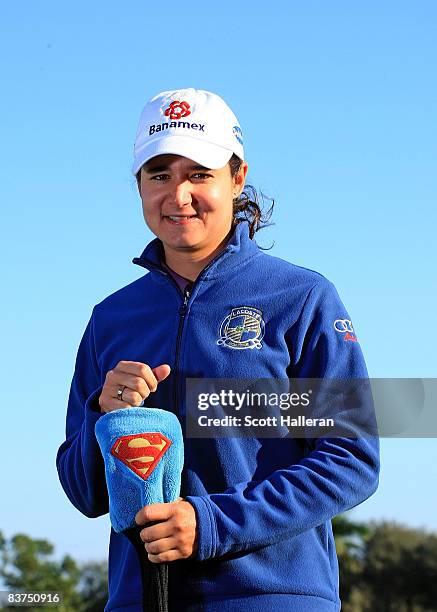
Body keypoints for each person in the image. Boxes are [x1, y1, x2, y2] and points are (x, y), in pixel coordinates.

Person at [56, 88, 380, 611]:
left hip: (274, 598)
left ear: (237, 177)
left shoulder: (301, 298)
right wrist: (101, 418)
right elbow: (82, 491)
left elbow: (349, 459)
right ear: (138, 186)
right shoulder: (110, 318)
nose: (178, 195)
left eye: (199, 174)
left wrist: (209, 525)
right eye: (160, 175)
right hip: (136, 600)